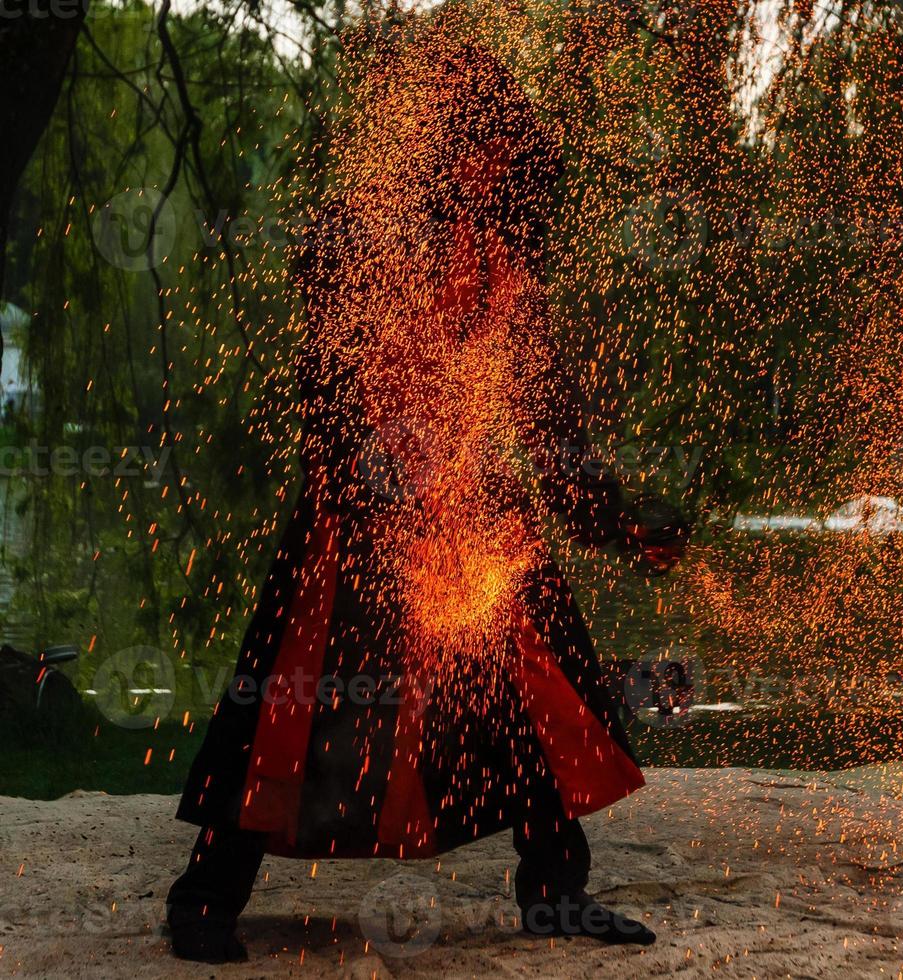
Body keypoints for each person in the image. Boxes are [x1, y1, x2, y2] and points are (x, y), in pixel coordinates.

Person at [165, 41, 687, 964]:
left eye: (506, 153)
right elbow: (325, 395)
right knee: (291, 714)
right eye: (485, 143)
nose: (497, 166)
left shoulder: (502, 266)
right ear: (448, 142)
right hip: (360, 521)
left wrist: (617, 523)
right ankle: (205, 895)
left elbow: (548, 418)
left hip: (477, 518)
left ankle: (557, 892)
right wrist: (384, 494)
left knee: (537, 695)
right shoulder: (355, 236)